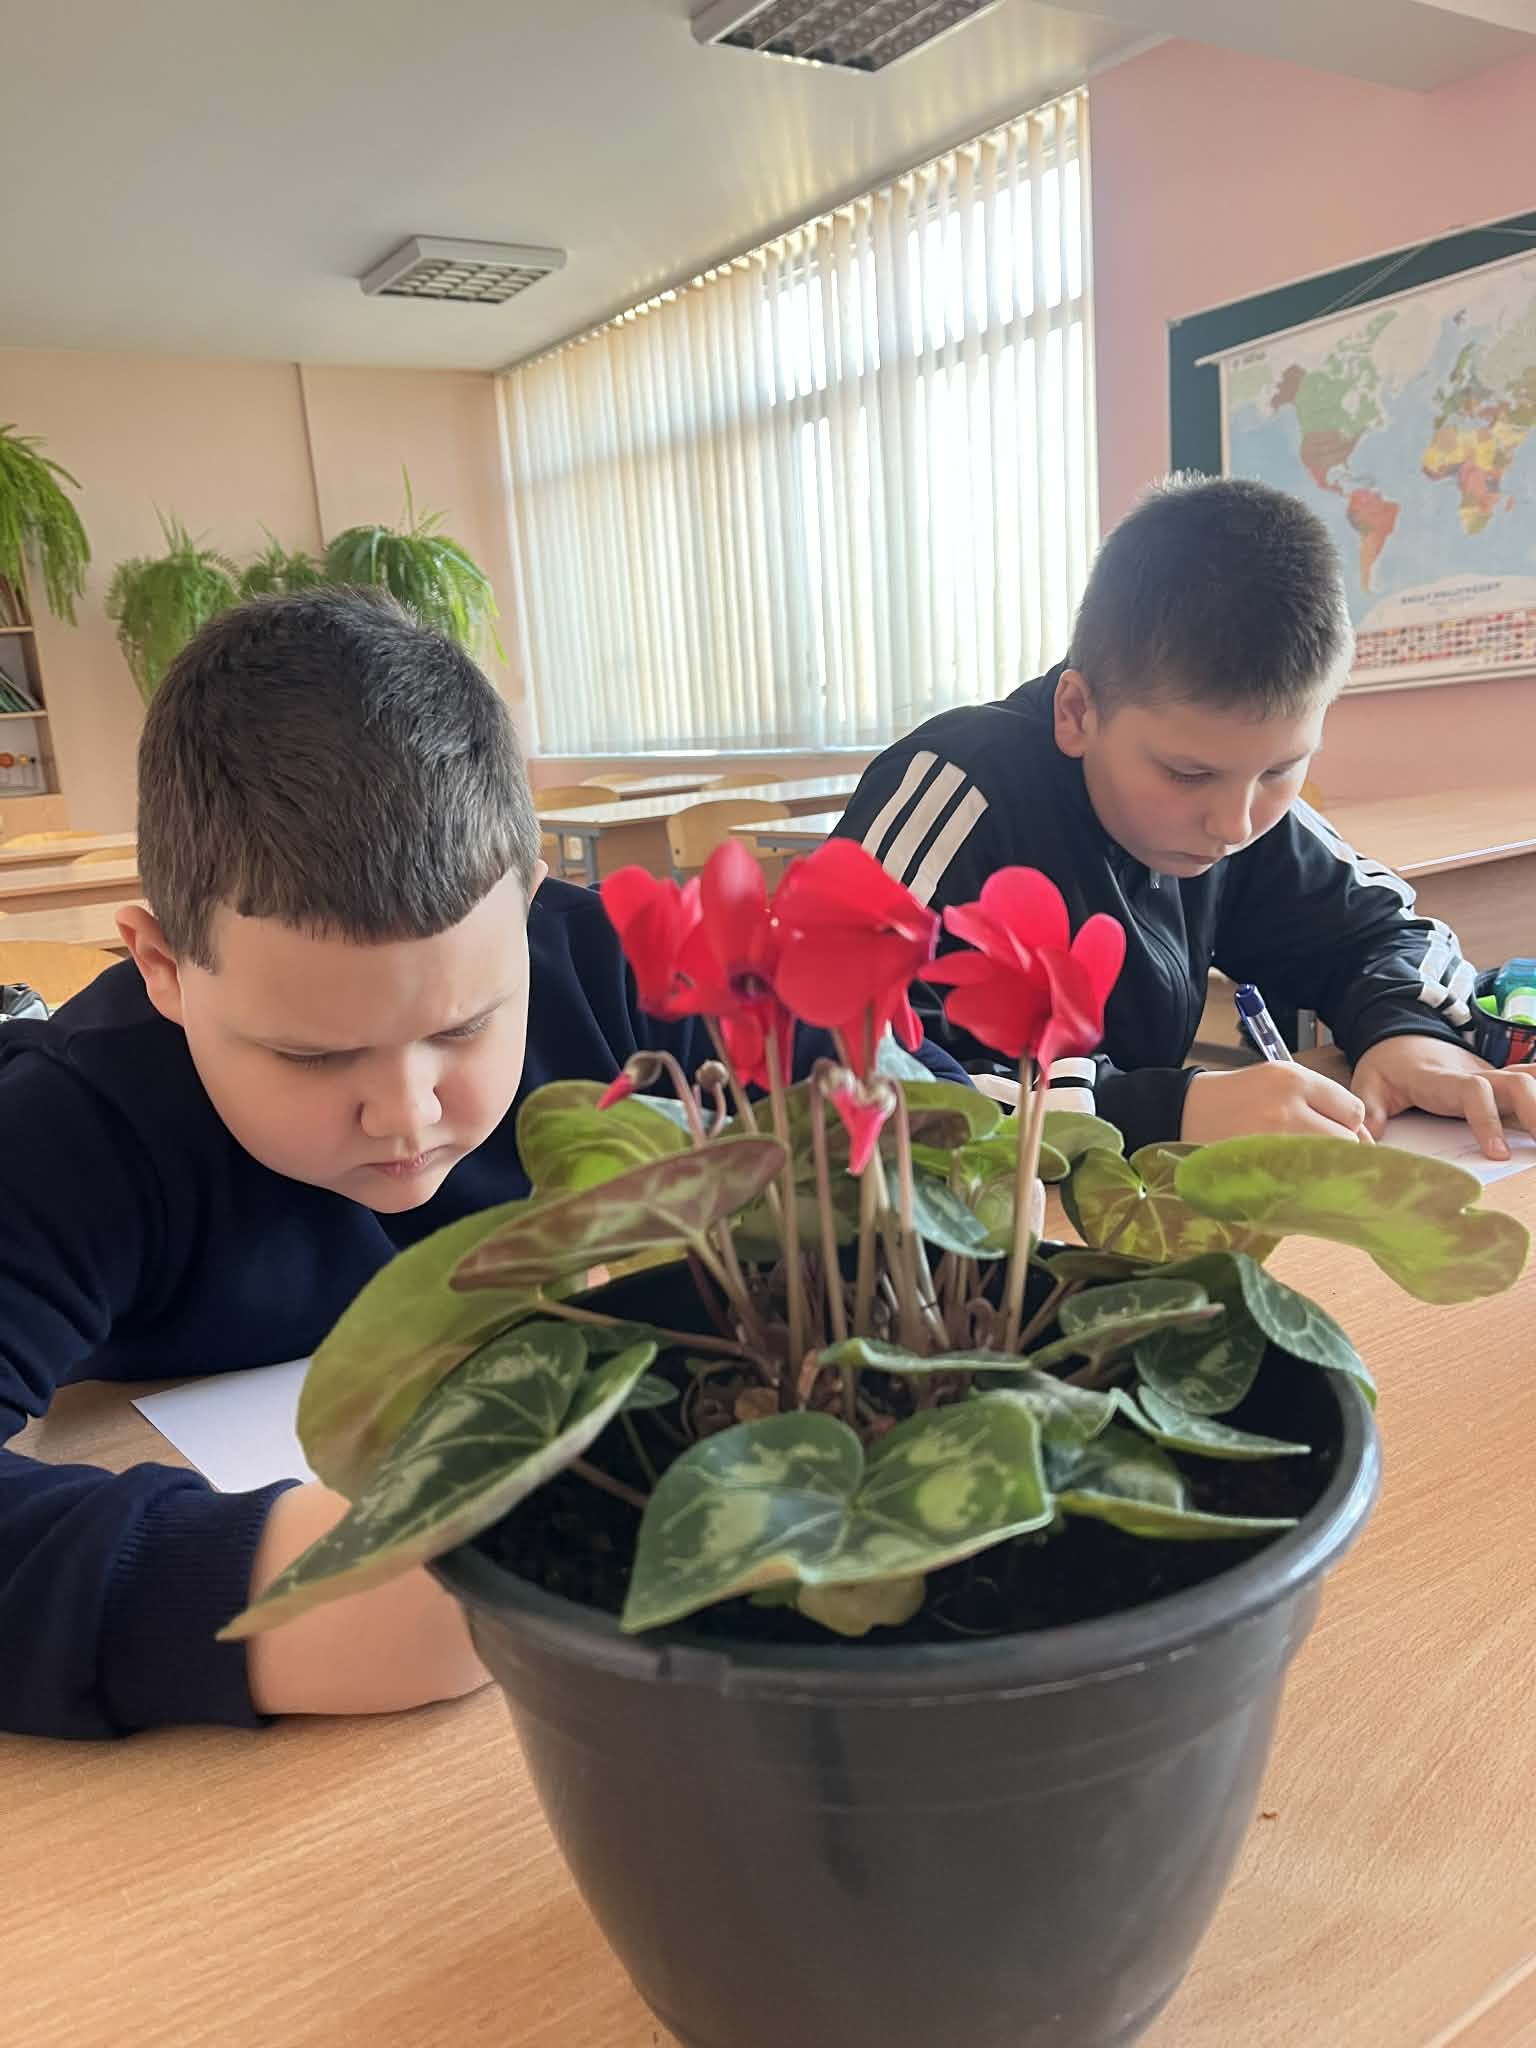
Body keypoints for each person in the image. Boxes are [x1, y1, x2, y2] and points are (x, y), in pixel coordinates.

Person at [0, 588, 961, 1742]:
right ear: (162, 966)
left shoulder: (603, 965)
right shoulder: (73, 1125)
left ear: (529, 904)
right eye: (312, 1053)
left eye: (464, 1026)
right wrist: (266, 1591)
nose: (407, 1112)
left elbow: (908, 1100)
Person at [836, 474, 1536, 1160]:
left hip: (1130, 1203)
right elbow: (839, 1056)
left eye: (1281, 770)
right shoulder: (959, 785)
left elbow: (1387, 931)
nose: (1235, 826)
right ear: (1078, 712)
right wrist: (1164, 1109)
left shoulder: (1233, 796)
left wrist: (1406, 1033)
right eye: (1187, 774)